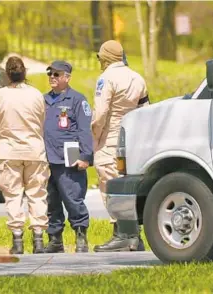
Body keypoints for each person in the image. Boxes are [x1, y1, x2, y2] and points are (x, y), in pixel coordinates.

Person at [91, 40, 149, 252]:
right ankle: (134, 235)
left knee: (110, 187)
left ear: (105, 57)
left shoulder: (105, 79)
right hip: (131, 137)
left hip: (110, 137)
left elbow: (100, 114)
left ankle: (122, 234)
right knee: (127, 186)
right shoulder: (137, 77)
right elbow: (145, 109)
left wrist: (95, 138)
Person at [0, 56, 50, 254]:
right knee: (37, 193)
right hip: (34, 150)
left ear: (7, 74)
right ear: (25, 73)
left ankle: (17, 239)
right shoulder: (35, 94)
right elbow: (42, 119)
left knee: (13, 195)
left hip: (9, 150)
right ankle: (39, 238)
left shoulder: (1, 95)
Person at [43, 61, 93, 254]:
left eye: (56, 74)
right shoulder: (44, 100)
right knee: (51, 200)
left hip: (69, 157)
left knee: (73, 198)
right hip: (48, 157)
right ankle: (55, 239)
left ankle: (80, 234)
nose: (52, 78)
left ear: (67, 77)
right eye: (50, 74)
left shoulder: (77, 100)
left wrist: (85, 156)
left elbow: (84, 130)